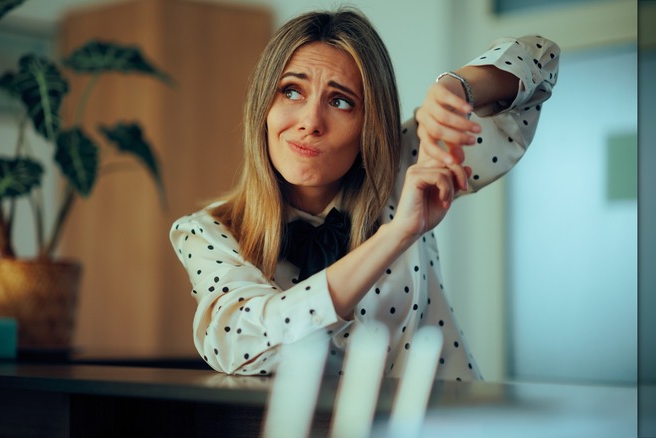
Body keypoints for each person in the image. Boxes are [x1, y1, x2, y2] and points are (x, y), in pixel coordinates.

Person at [170, 8, 559, 380]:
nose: (310, 122)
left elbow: (540, 58)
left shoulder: (406, 167)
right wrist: (397, 235)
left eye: (340, 101)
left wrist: (458, 87)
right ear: (263, 108)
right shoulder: (207, 233)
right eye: (291, 92)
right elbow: (243, 346)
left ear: (368, 125)